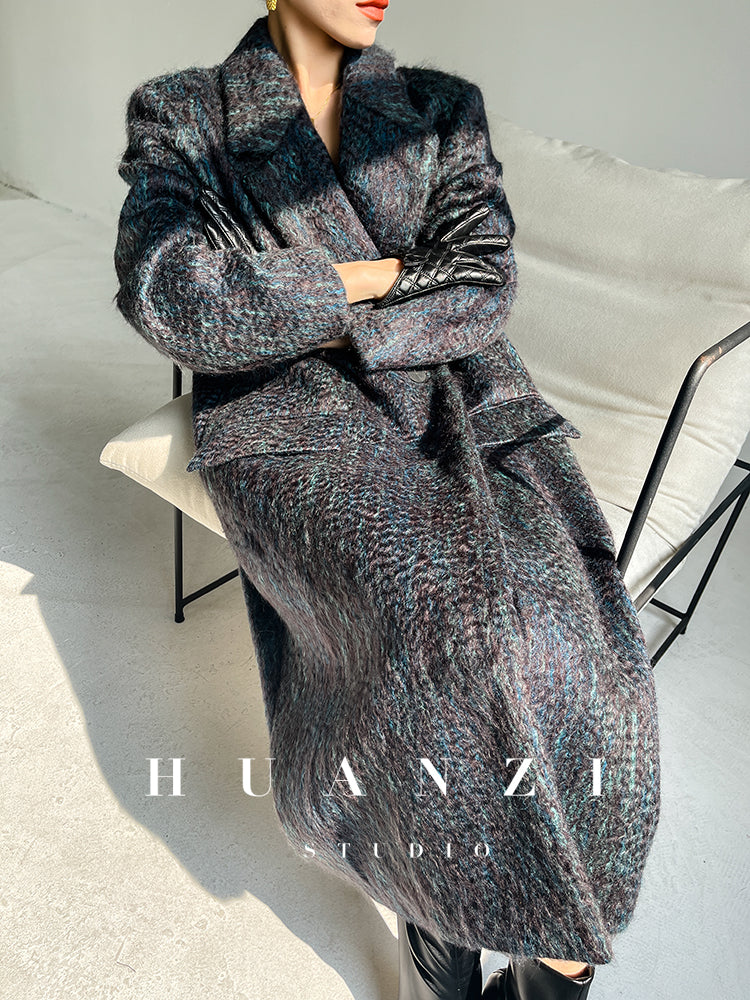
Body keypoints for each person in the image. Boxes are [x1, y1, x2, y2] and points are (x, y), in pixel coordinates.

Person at [113, 2, 661, 997]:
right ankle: (441, 920)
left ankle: (537, 945)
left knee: (588, 657)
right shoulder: (184, 113)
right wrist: (374, 277)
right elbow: (176, 299)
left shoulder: (442, 109)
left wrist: (300, 303)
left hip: (467, 400)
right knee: (437, 631)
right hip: (294, 421)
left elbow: (483, 283)